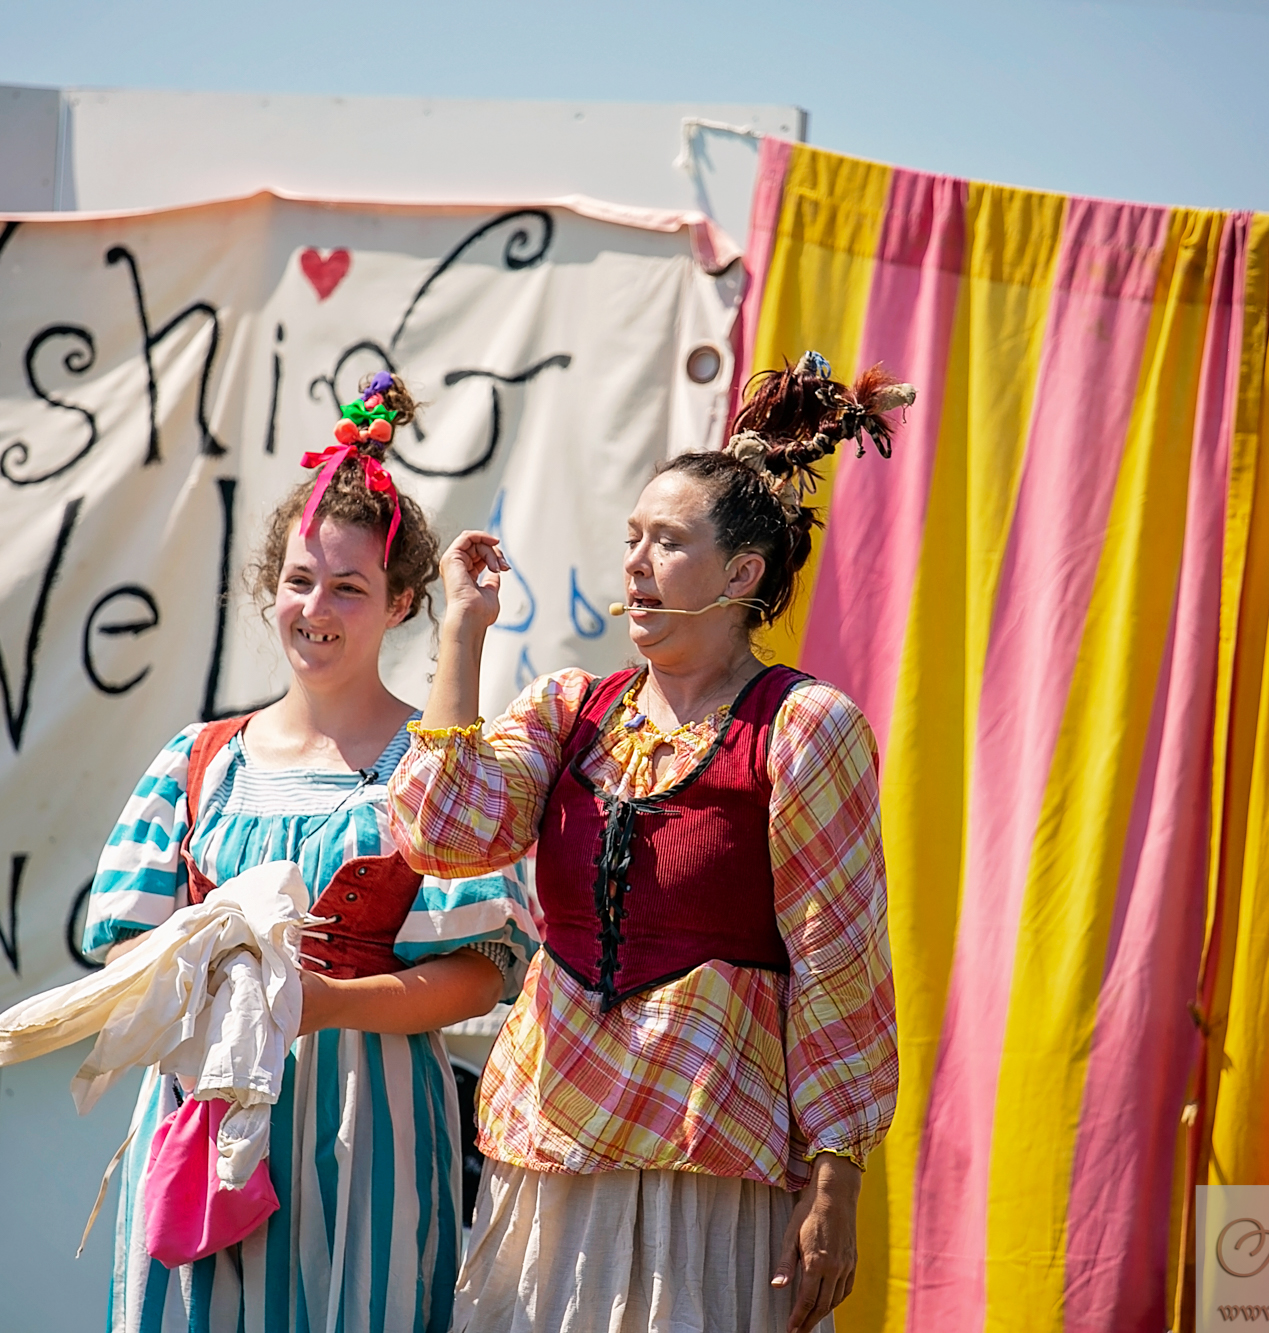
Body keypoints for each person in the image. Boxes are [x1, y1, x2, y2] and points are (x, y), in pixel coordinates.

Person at [389, 353, 907, 1333]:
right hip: (550, 1157)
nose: (634, 562)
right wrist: (461, 631)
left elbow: (837, 961)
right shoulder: (568, 712)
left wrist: (837, 1178)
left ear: (742, 574)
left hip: (708, 1170)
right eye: (631, 537)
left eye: (666, 542)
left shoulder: (802, 727)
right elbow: (439, 835)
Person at [79, 372, 537, 1333]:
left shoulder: (432, 771)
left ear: (401, 601)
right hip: (203, 1115)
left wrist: (323, 1003)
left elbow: (479, 972)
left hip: (368, 1130)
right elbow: (124, 946)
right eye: (298, 580)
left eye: (348, 586)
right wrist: (214, 974)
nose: (315, 606)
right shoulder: (199, 760)